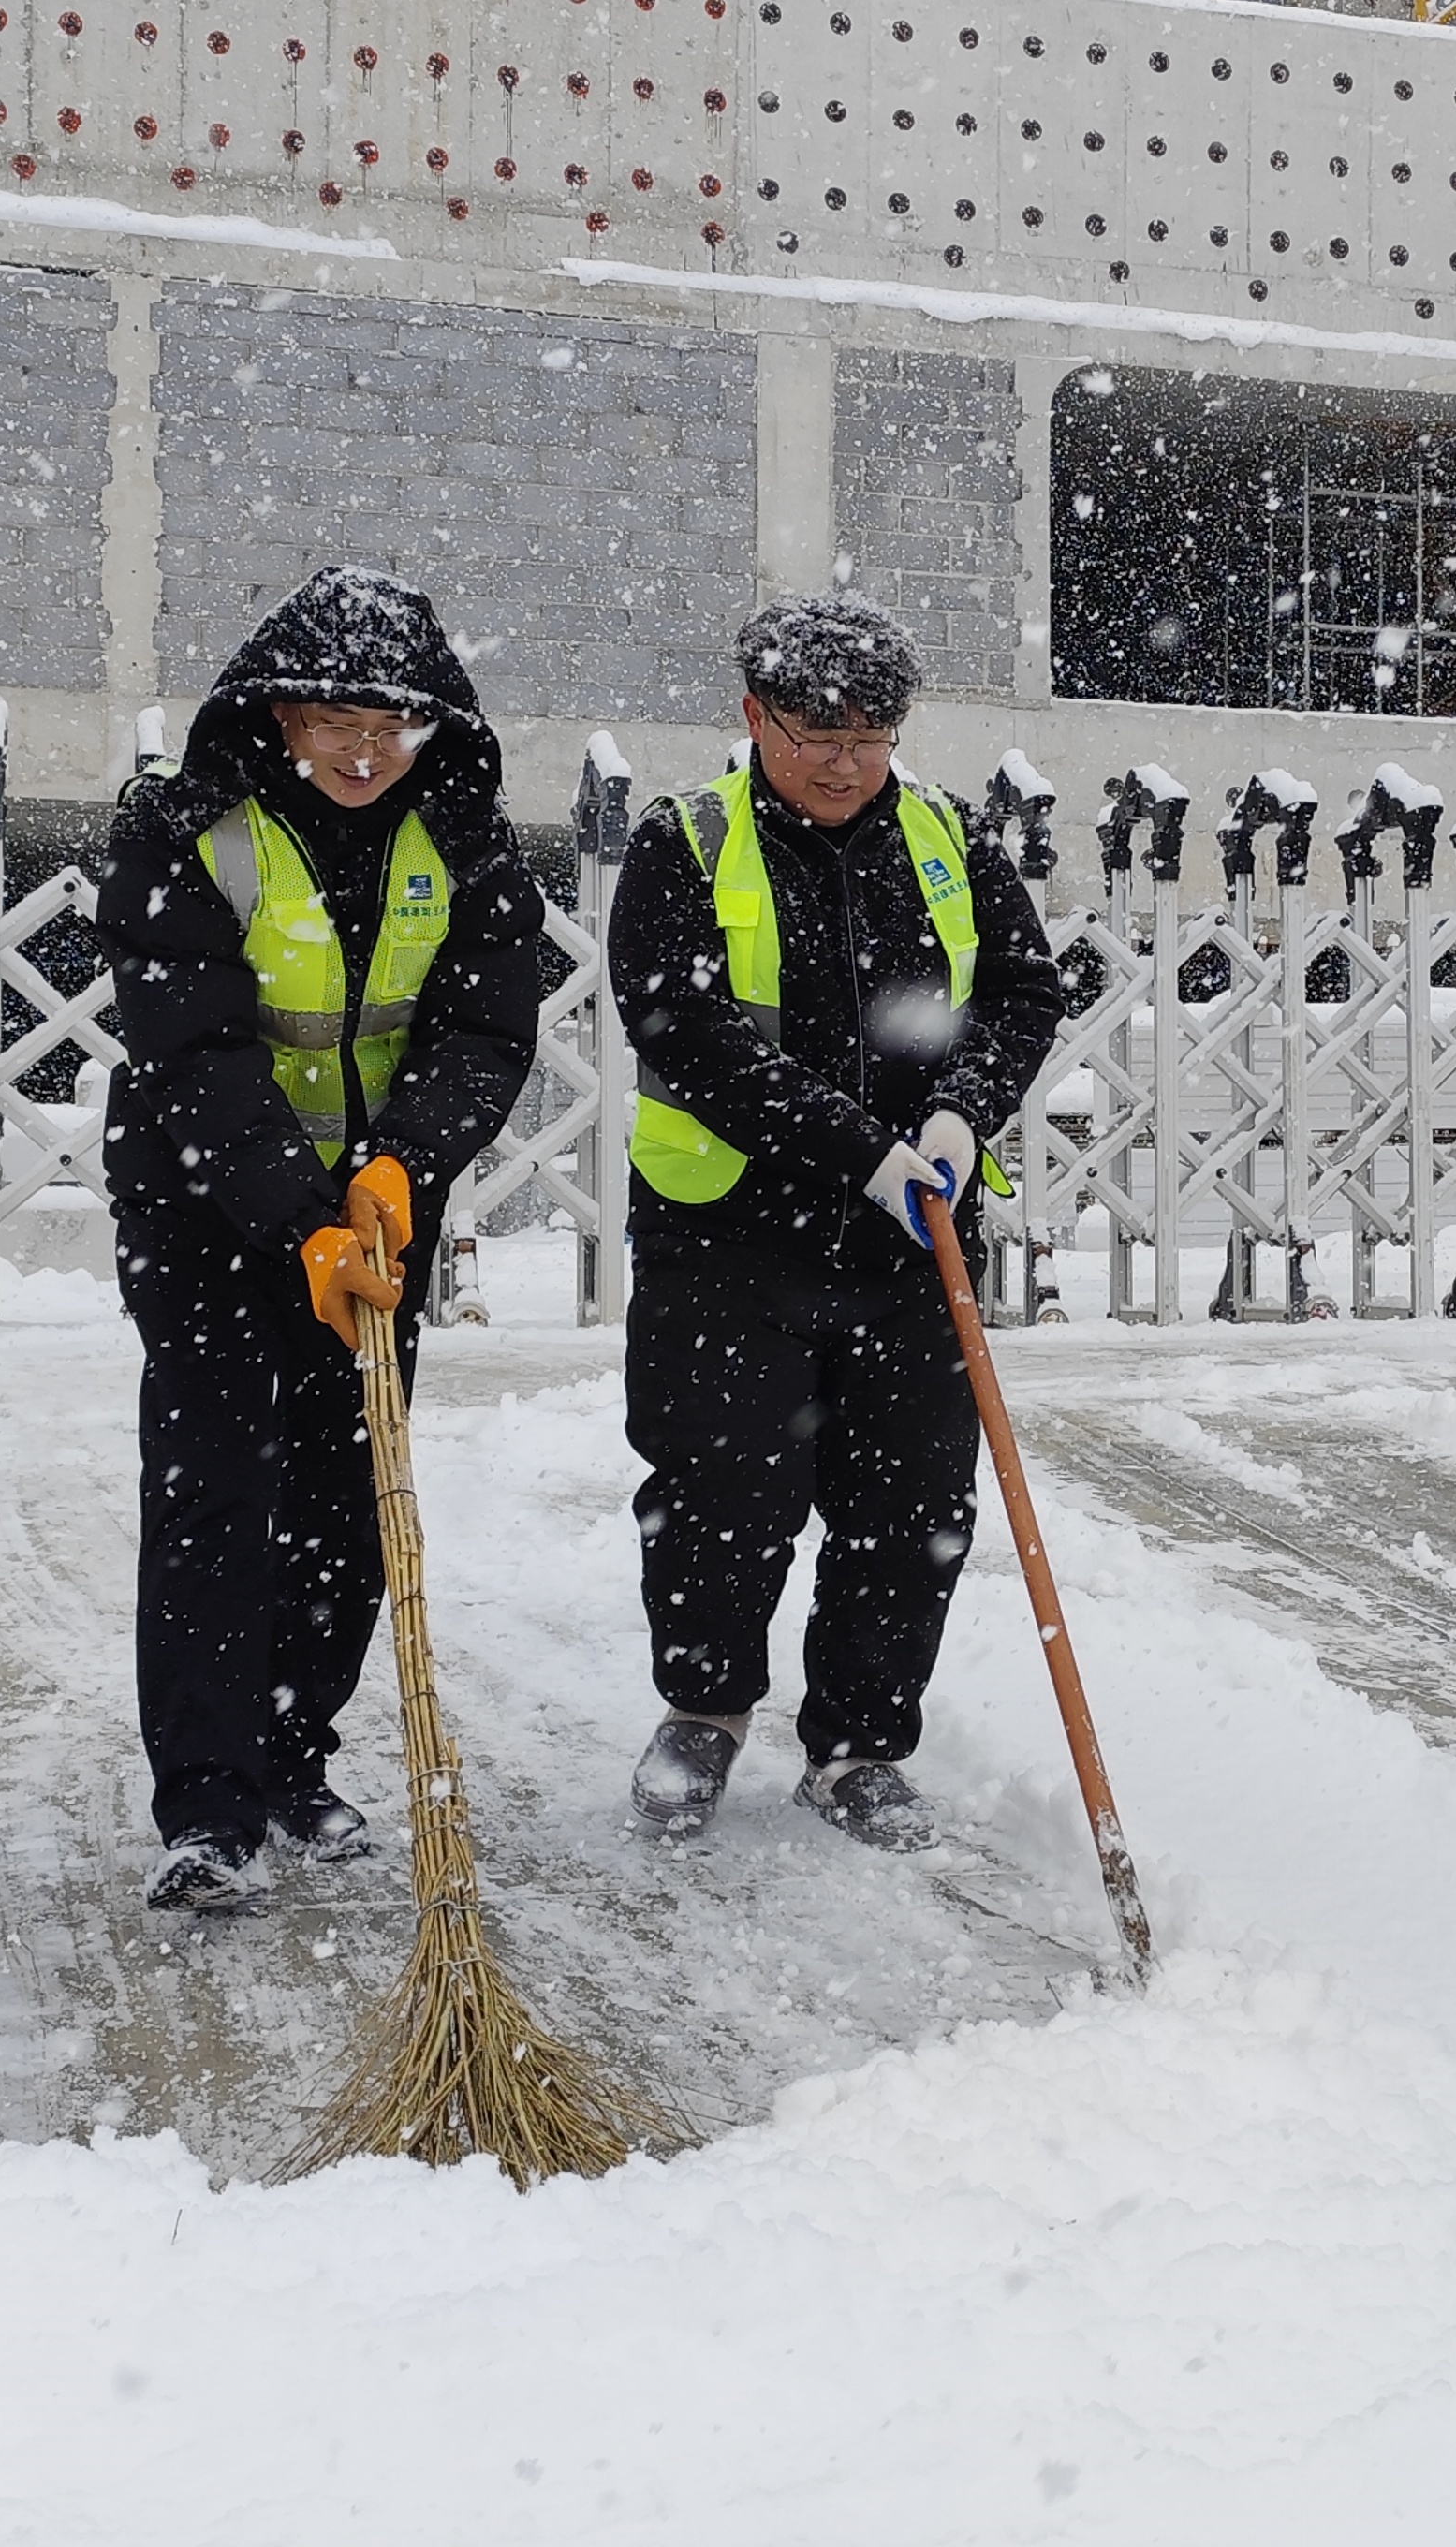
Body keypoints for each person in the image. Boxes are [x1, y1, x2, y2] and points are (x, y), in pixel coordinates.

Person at [96, 567, 545, 1912]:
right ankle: (208, 1809)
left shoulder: (465, 844)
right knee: (214, 1491)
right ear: (276, 715)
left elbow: (483, 1031)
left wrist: (405, 1165)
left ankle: (295, 1755)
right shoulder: (190, 830)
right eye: (332, 722)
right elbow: (193, 1043)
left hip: (377, 1215)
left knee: (353, 1497)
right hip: (205, 1210)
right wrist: (293, 1212)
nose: (361, 753)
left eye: (391, 726)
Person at [610, 593, 1065, 1850]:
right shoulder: (684, 842)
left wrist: (965, 1113)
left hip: (912, 1246)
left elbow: (1026, 993)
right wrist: (858, 1150)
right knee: (722, 1487)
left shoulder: (948, 837)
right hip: (728, 1237)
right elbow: (682, 1032)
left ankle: (861, 1743)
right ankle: (702, 1715)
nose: (843, 760)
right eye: (815, 731)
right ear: (753, 715)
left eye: (871, 734)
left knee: (912, 1499)